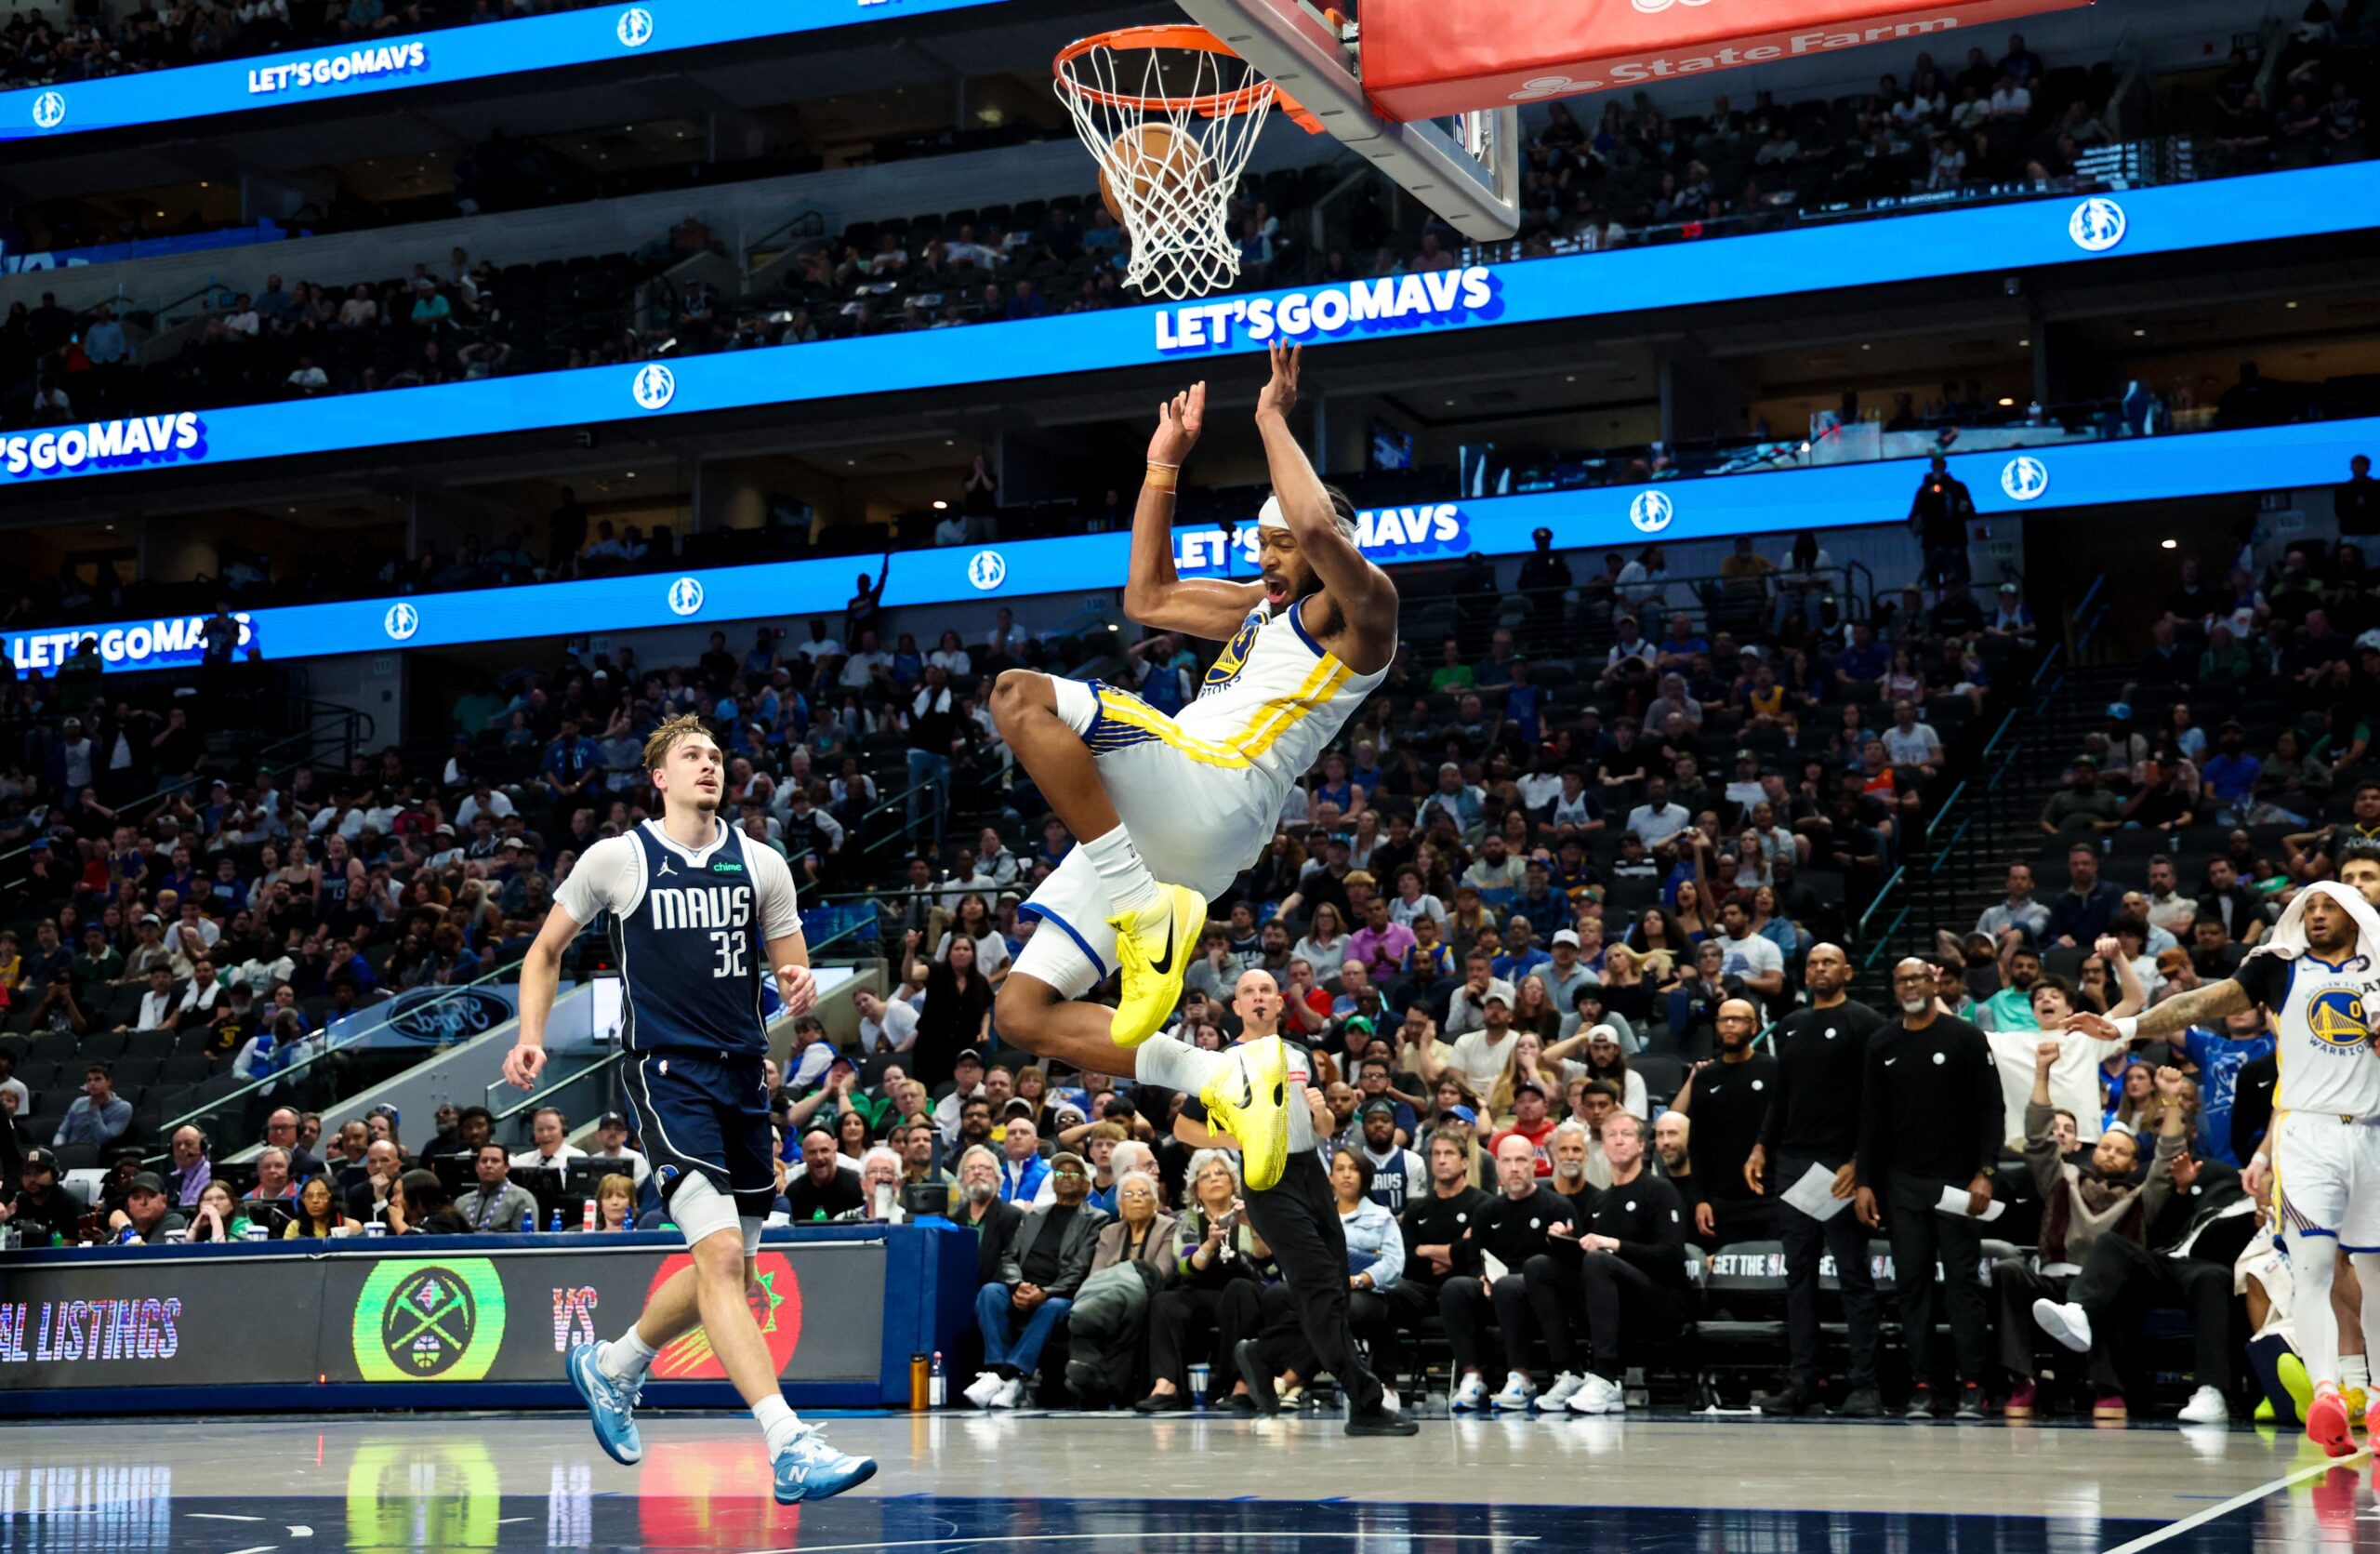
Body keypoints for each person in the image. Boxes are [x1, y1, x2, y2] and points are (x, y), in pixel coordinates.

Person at [990, 345, 1398, 1192]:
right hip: (1169, 830)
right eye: (1263, 543)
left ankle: (1146, 913)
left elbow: (1320, 530)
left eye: (1283, 545)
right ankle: (1220, 1077)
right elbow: (1147, 597)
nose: (1272, 558)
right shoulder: (1261, 608)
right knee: (1021, 1013)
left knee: (1020, 696)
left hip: (1216, 785)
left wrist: (1271, 419)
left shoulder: (1365, 613)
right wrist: (1161, 468)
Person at [507, 713, 873, 1503]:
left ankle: (613, 1366)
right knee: (720, 1261)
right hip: (667, 1073)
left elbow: (791, 968)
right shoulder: (619, 857)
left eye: (716, 755)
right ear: (660, 778)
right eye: (691, 756)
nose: (709, 765)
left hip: (746, 1078)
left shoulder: (762, 863)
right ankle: (789, 1442)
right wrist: (532, 1034)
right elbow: (544, 950)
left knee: (728, 1270)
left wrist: (799, 983)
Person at [2063, 880, 2380, 1455]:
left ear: (2356, 913)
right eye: (2307, 907)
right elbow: (2199, 1004)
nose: (2314, 915)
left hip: (2373, 1132)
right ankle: (2328, 1395)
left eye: (2327, 906)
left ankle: (2378, 1397)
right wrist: (2128, 1028)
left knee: (2376, 1275)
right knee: (2310, 1269)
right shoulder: (2278, 968)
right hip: (2306, 1130)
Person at [1173, 968, 1419, 1434]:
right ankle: (1364, 1401)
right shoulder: (1223, 1061)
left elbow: (1323, 1129)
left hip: (1311, 1173)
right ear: (1239, 1007)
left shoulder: (1302, 1053)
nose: (1259, 997)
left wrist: (1323, 1114)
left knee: (1334, 1293)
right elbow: (1184, 1128)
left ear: (1280, 1003)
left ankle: (1264, 1354)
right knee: (1324, 1284)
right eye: (1249, 992)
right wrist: (1241, 1138)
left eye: (1267, 989)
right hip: (1268, 1178)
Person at [1993, 1041, 2187, 1421]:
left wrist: (2171, 1101)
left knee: (2116, 1291)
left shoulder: (2140, 1197)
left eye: (2121, 1151)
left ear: (2134, 1164)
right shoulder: (2062, 1178)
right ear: (2093, 1150)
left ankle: (2108, 1388)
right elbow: (2037, 1138)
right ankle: (2022, 1380)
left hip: (2103, 1292)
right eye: (2106, 1148)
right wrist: (2042, 1072)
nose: (2111, 1154)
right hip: (2053, 1283)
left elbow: (2168, 1157)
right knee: (2008, 1271)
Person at [1857, 957, 2004, 1421]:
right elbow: (1871, 1120)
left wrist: (1986, 1171)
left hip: (1959, 1182)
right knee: (1912, 1285)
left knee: (1962, 1285)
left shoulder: (1964, 1036)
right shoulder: (1881, 1042)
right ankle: (1922, 1384)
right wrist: (1864, 1182)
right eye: (1901, 980)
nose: (1909, 985)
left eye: (1917, 977)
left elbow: (1990, 1108)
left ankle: (1973, 1384)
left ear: (1934, 981)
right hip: (1902, 1185)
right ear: (1895, 988)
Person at [1744, 943, 1886, 1417]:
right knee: (1798, 1277)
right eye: (1812, 964)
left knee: (1853, 1277)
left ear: (1847, 970)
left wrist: (1860, 1162)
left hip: (1841, 1167)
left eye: (1829, 962)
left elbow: (1877, 1100)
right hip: (1793, 1163)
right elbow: (1781, 1094)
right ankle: (1804, 1381)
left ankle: (1865, 1385)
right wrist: (1762, 1144)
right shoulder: (1790, 1025)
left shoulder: (1864, 1021)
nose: (1820, 969)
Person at [1444, 1133, 1586, 1412]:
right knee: (1455, 1287)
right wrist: (1481, 1279)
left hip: (1541, 1297)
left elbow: (1576, 1264)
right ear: (1497, 1167)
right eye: (1506, 1161)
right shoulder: (1486, 1210)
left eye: (1521, 1160)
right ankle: (1472, 1375)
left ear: (1535, 1164)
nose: (1514, 1168)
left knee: (1508, 1286)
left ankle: (1521, 1377)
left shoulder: (1557, 1206)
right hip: (1495, 1289)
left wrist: (1560, 1240)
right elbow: (1474, 1259)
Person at [1562, 1110, 1689, 1415]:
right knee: (1541, 1267)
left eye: (1627, 1135)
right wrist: (1566, 1240)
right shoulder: (1599, 1201)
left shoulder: (1659, 1190)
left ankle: (1605, 1376)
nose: (1618, 1141)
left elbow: (1672, 1255)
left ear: (1642, 1145)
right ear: (1603, 1146)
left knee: (1598, 1262)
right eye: (1611, 1136)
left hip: (1659, 1299)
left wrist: (1614, 1245)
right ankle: (1566, 1372)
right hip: (1610, 1299)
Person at [966, 1152, 1108, 1408]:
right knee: (990, 1292)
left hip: (1061, 1295)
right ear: (1052, 1183)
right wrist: (1017, 1285)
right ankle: (1002, 1375)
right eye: (1060, 1173)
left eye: (1073, 1173)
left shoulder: (1096, 1219)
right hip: (1023, 1288)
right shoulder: (1034, 1215)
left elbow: (1080, 1269)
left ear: (1086, 1185)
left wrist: (1045, 1292)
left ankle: (1005, 1375)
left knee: (1052, 1307)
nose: (1065, 1177)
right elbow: (1009, 1256)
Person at [1138, 1148, 1269, 1413]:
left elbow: (1268, 1264)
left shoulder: (1253, 1214)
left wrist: (1252, 1227)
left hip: (1244, 1292)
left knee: (1240, 1289)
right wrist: (1209, 1244)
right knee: (1164, 1301)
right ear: (1196, 1189)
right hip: (1200, 1291)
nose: (1214, 1179)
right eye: (1205, 1176)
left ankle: (1241, 1384)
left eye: (1221, 1173)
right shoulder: (1186, 1220)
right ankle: (1166, 1385)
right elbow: (1185, 1267)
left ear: (1233, 1182)